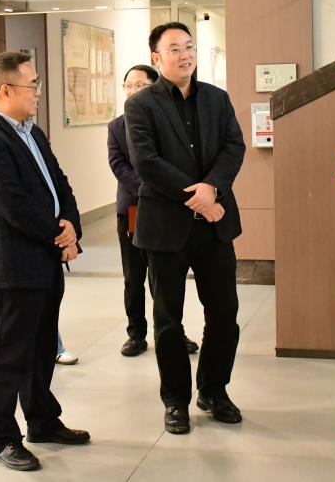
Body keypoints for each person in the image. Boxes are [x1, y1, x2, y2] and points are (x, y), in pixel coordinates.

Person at [0, 52, 91, 472]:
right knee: (8, 355)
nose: (38, 91)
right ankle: (2, 438)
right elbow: (12, 205)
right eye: (32, 84)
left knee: (40, 349)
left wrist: (72, 224)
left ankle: (42, 420)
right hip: (12, 265)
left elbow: (59, 182)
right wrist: (59, 235)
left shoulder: (32, 131)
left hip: (44, 258)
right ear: (5, 90)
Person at [124, 22, 246, 435]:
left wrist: (213, 188)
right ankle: (175, 401)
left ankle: (213, 391)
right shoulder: (141, 105)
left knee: (224, 315)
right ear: (157, 58)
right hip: (166, 228)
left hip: (215, 226)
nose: (185, 54)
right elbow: (146, 162)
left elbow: (234, 147)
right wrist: (198, 197)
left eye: (189, 46)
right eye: (174, 48)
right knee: (168, 321)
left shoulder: (217, 98)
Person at [108, 64, 198, 357]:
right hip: (135, 207)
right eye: (128, 86)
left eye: (140, 85)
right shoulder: (117, 126)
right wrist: (150, 189)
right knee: (134, 276)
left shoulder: (168, 122)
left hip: (165, 208)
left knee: (164, 276)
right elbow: (119, 166)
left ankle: (173, 333)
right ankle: (136, 334)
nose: (132, 91)